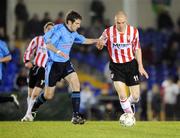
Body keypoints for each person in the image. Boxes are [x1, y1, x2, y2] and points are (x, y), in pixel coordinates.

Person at [31, 10, 102, 124]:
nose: (79, 26)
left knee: (76, 84)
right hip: (53, 64)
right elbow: (48, 44)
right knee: (48, 95)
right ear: (69, 22)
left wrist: (97, 40)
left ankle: (75, 116)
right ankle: (34, 107)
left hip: (65, 63)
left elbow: (83, 40)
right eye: (77, 23)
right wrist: (58, 51)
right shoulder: (58, 30)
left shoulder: (73, 33)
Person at [96, 11, 149, 118]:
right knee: (122, 94)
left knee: (136, 97)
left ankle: (128, 105)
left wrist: (140, 65)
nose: (120, 25)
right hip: (116, 66)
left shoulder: (133, 31)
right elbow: (99, 45)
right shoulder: (108, 32)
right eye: (118, 23)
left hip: (131, 65)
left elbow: (137, 49)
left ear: (126, 21)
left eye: (122, 23)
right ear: (115, 22)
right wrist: (100, 45)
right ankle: (129, 116)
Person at [21, 22, 67, 122]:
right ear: (44, 30)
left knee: (35, 94)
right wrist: (27, 61)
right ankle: (28, 115)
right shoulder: (37, 39)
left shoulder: (56, 42)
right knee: (29, 94)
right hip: (34, 68)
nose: (50, 31)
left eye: (52, 29)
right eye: (48, 29)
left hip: (45, 70)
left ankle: (28, 115)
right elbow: (29, 50)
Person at [0, 39, 19, 108]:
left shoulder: (1, 43)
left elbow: (9, 57)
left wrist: (0, 59)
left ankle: (11, 98)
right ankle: (11, 98)